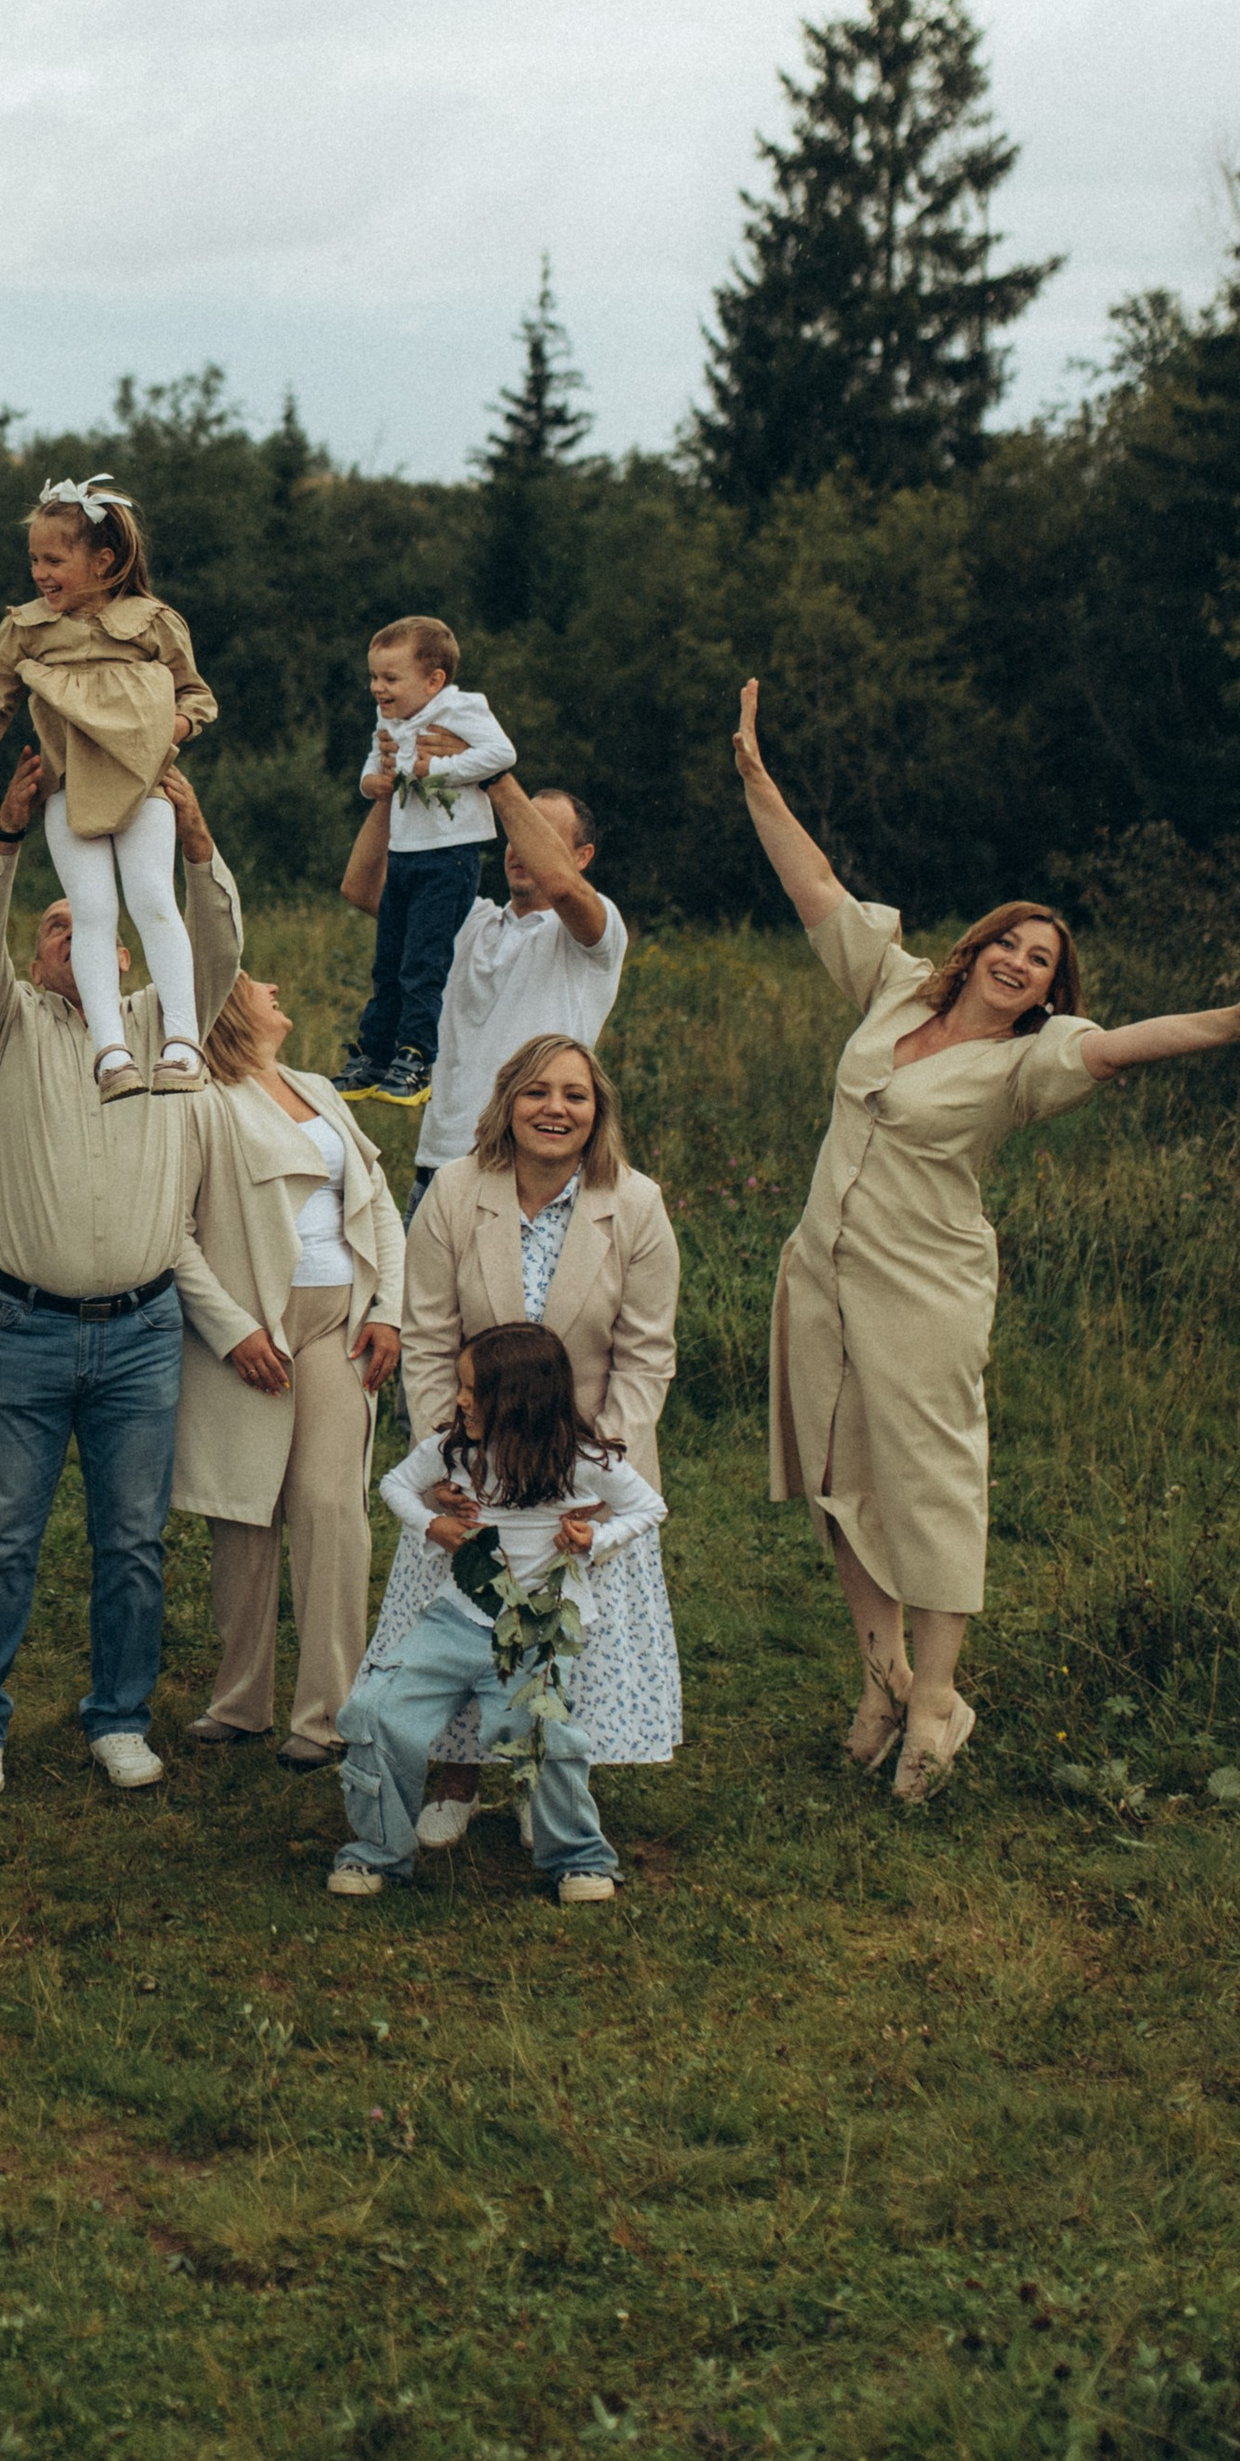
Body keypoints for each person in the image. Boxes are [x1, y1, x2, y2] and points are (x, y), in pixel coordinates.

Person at [736, 676, 1240, 1803]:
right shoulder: (896, 992)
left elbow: (1136, 1045)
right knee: (834, 1479)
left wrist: (1234, 1016)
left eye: (1042, 964)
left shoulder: (1032, 1063)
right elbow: (815, 885)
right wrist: (757, 779)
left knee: (927, 1485)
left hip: (924, 1290)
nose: (1019, 963)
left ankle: (934, 1701)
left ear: (1051, 993)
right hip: (820, 1271)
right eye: (1009, 944)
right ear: (978, 948)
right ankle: (878, 1678)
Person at [0, 744, 244, 1796]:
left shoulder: (172, 1028)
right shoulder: (4, 1026)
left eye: (91, 923)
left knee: (131, 1543)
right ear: (38, 959)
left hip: (143, 1330)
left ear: (124, 954)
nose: (72, 934)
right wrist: (7, 833)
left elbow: (214, 939)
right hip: (24, 1325)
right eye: (56, 923)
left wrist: (196, 845)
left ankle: (118, 1717)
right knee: (2, 1537)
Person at [379, 1032, 681, 1844]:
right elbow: (430, 1333)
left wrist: (588, 1466)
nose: (556, 1109)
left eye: (575, 1096)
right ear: (508, 1102)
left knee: (559, 1635)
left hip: (584, 1466)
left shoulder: (636, 1203)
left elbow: (647, 1353)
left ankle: (546, 1779)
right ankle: (457, 1770)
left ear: (597, 1111)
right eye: (538, 1092)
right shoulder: (453, 1190)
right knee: (461, 1618)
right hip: (472, 1462)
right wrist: (456, 1454)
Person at [334, 1321, 664, 1905]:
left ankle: (579, 1859)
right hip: (454, 1620)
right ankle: (377, 1851)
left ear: (519, 1400)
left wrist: (595, 1539)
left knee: (543, 1730)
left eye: (471, 1390)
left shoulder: (581, 1460)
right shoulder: (452, 1450)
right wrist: (431, 1523)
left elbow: (649, 1507)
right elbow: (394, 1485)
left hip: (534, 1626)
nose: (460, 1399)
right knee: (375, 1710)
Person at [170, 973, 404, 1767]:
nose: (275, 986)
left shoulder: (312, 1086)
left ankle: (329, 1715)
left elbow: (376, 1204)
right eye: (256, 982)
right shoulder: (203, 1097)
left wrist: (389, 1311)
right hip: (250, 1328)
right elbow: (174, 1232)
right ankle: (239, 1702)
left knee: (330, 1505)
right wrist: (232, 1330)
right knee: (242, 1510)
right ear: (231, 1009)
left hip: (338, 1322)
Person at [0, 470, 218, 1101]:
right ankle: (110, 1051)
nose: (41, 572)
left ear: (104, 560)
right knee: (92, 910)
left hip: (142, 783)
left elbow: (196, 695)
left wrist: (164, 730)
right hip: (68, 787)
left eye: (55, 559)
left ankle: (181, 1043)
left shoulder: (152, 622)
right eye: (34, 560)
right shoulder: (27, 628)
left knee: (152, 896)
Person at [406, 775, 626, 1215]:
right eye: (515, 833)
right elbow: (362, 889)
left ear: (583, 857)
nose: (518, 846)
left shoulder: (594, 933)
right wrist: (387, 792)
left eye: (538, 835)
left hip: (525, 1179)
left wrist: (492, 773)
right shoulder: (469, 921)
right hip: (438, 1172)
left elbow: (562, 888)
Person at [336, 618, 515, 1110]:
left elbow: (502, 753)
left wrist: (439, 769)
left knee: (423, 962)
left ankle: (415, 1057)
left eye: (391, 679)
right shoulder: (388, 720)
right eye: (374, 677)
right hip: (403, 853)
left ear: (433, 680)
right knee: (388, 960)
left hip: (449, 855)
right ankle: (374, 1053)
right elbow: (375, 765)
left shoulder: (461, 707)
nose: (378, 688)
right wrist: (373, 782)